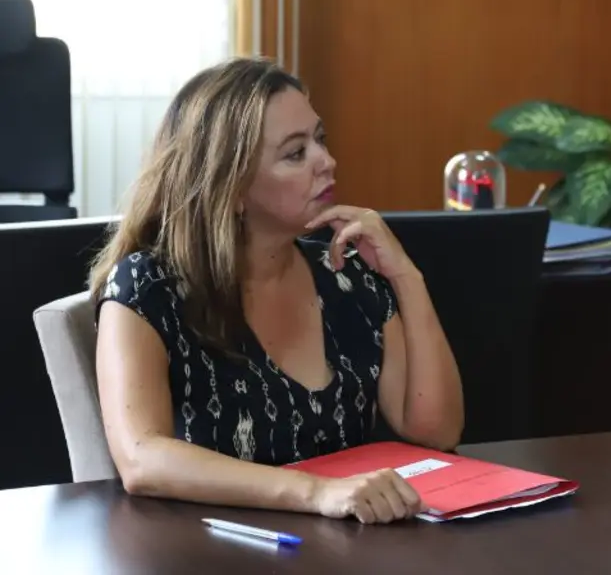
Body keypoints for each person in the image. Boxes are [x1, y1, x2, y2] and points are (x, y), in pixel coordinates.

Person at [90, 57, 465, 525]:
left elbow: (435, 432)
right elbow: (142, 459)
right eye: (295, 153)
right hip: (209, 553)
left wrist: (406, 276)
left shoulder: (345, 275)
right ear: (232, 187)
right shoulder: (147, 287)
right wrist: (317, 493)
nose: (327, 162)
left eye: (320, 140)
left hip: (343, 550)